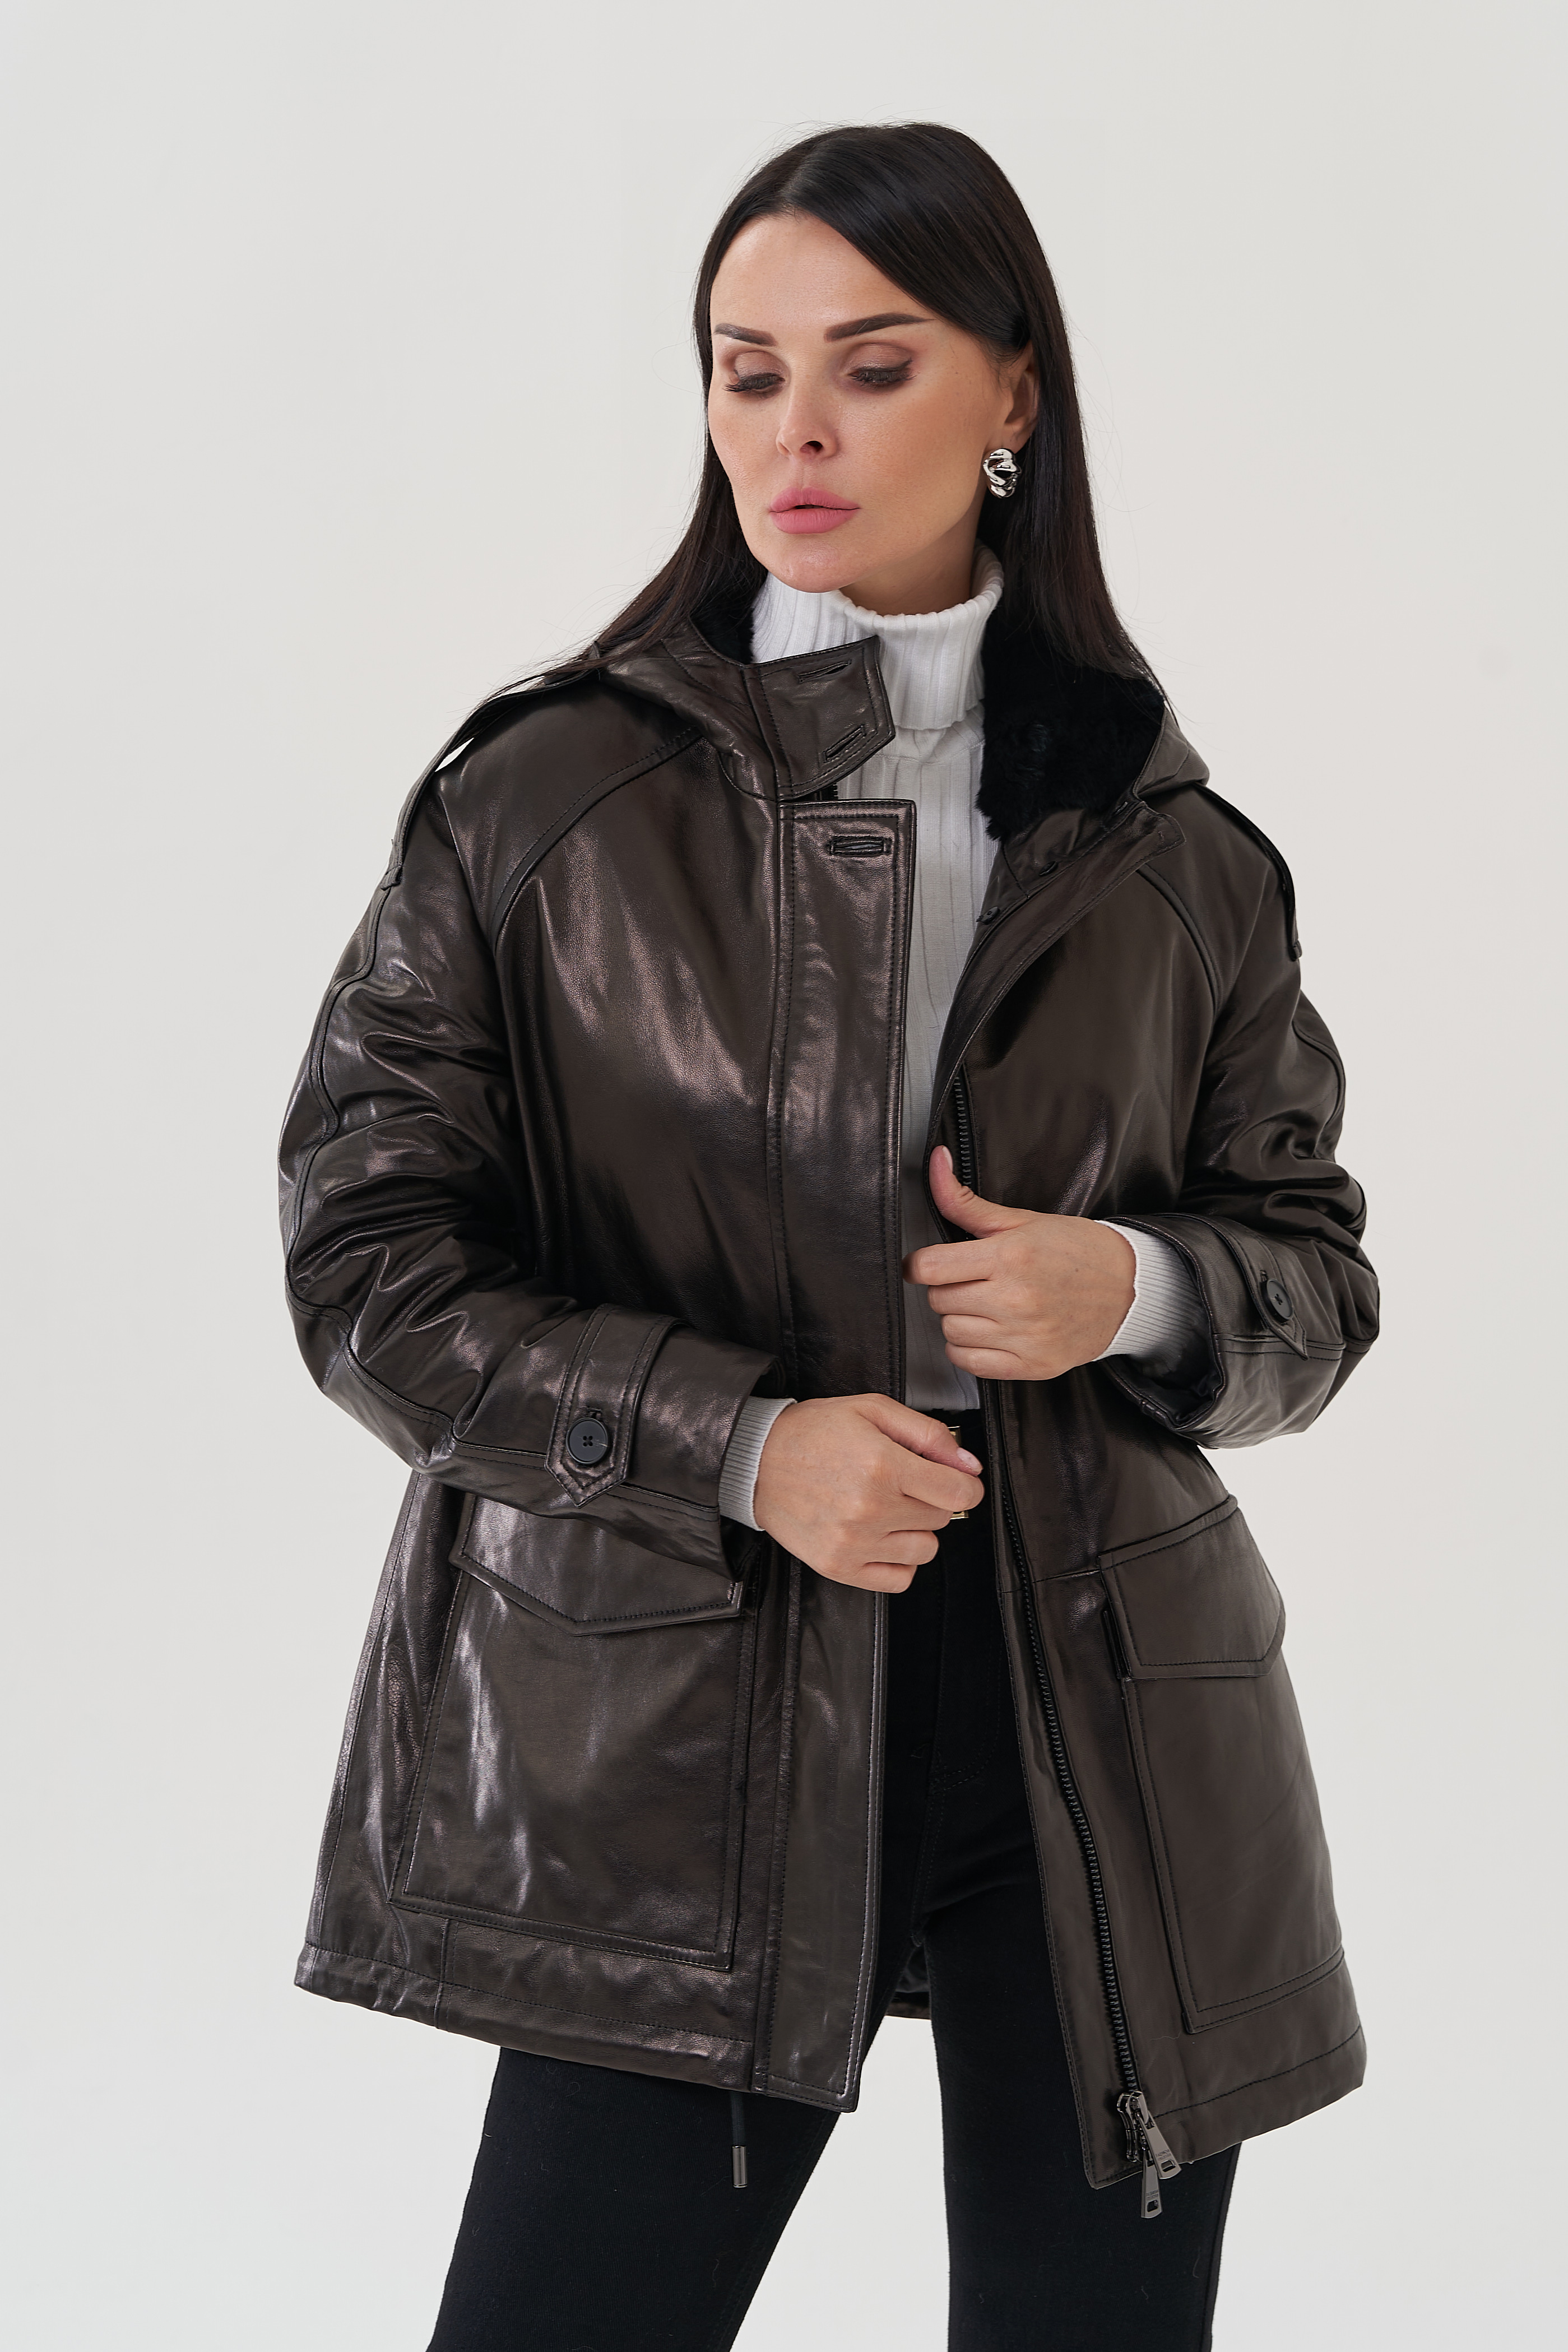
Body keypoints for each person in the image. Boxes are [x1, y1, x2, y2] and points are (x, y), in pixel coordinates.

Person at [280, 122, 1379, 2352]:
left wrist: (1136, 1289)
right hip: (680, 1710)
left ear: (1012, 394)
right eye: (744, 367)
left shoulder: (1175, 850)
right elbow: (370, 1266)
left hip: (1104, 1721)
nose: (793, 430)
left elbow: (1313, 1276)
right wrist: (745, 1442)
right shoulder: (543, 803)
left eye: (870, 368)